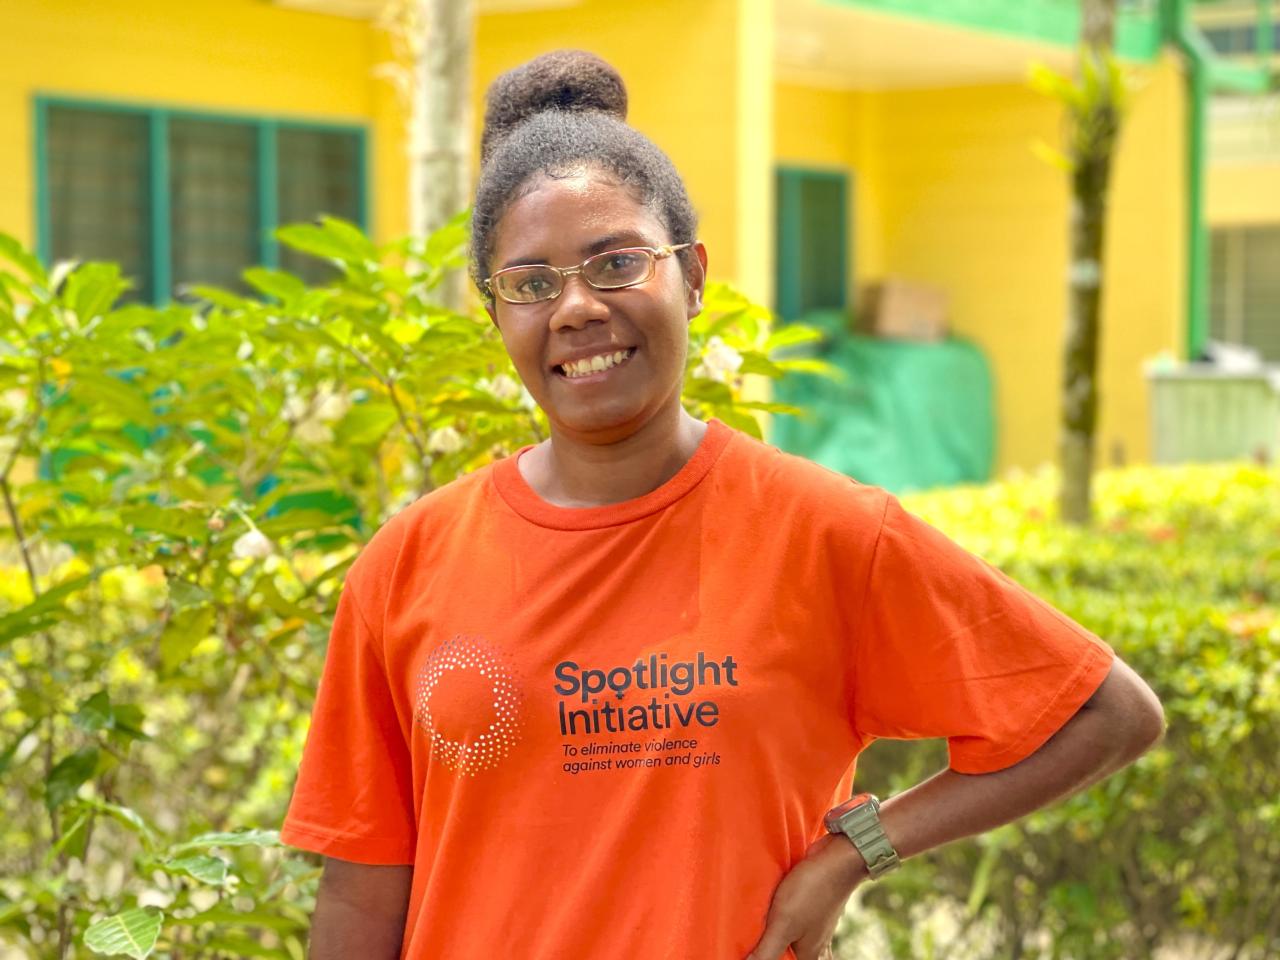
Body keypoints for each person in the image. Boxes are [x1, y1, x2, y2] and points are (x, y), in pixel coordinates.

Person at [280, 50, 1165, 960]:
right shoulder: (409, 562)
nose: (576, 307)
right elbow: (362, 888)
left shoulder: (826, 532)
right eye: (531, 283)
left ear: (693, 275)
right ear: (496, 314)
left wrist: (850, 855)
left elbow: (1103, 714)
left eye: (617, 262)